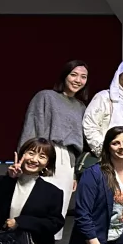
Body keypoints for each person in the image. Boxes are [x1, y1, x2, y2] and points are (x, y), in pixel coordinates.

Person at [18, 60, 88, 233]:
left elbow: (81, 143)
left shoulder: (81, 107)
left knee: (59, 208)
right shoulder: (45, 96)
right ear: (64, 75)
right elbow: (31, 128)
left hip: (68, 159)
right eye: (74, 74)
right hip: (45, 153)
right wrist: (24, 159)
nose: (78, 80)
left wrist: (75, 175)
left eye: (83, 77)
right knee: (35, 202)